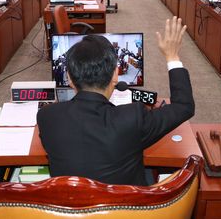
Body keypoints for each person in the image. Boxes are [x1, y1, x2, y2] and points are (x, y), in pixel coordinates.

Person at [37, 17, 194, 186]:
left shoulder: (47, 116)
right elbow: (183, 106)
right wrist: (172, 56)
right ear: (115, 75)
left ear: (69, 79)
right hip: (125, 208)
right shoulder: (133, 117)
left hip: (71, 206)